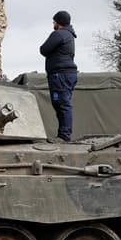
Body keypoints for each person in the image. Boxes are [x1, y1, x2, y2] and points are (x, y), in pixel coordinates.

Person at [39, 10, 78, 142]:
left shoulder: (59, 34)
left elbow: (44, 49)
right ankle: (63, 134)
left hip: (60, 75)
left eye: (54, 21)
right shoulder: (69, 35)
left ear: (58, 22)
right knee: (59, 103)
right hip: (64, 75)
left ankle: (64, 135)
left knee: (62, 104)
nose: (53, 24)